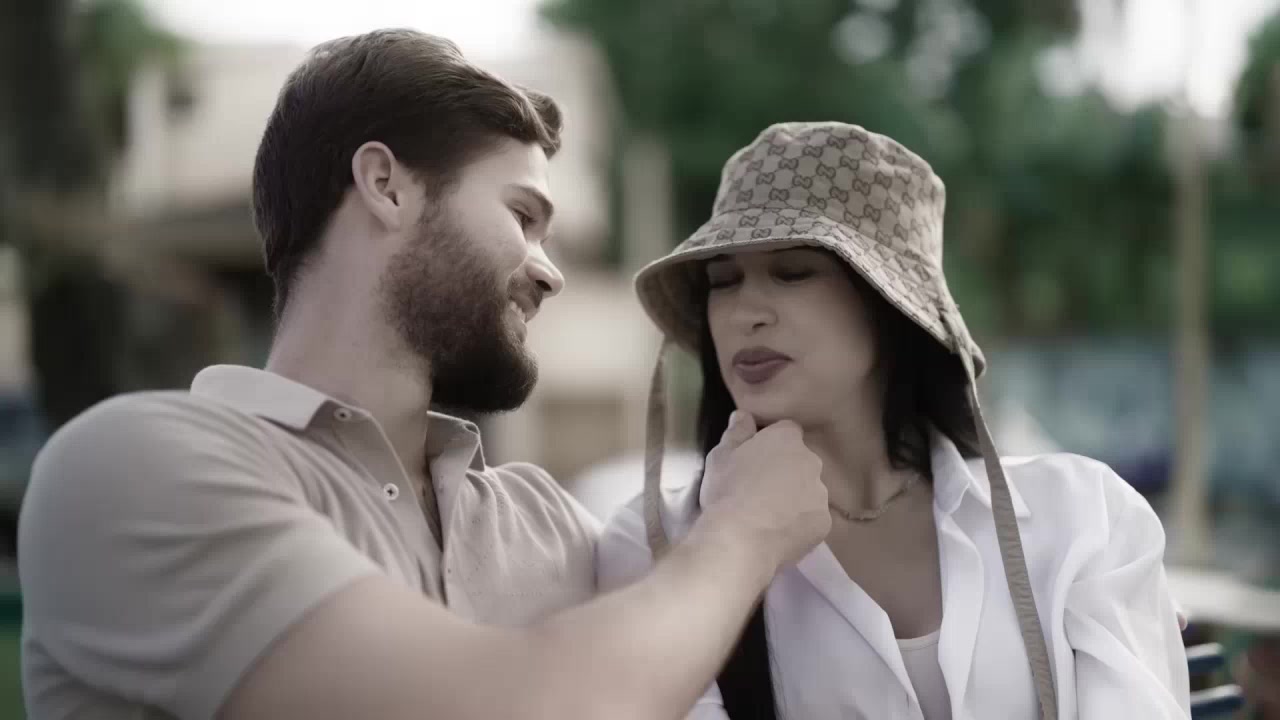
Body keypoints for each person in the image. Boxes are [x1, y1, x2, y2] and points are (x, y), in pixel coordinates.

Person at [16, 30, 833, 720]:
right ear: (385, 186)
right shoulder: (133, 467)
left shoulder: (547, 524)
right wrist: (745, 531)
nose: (549, 273)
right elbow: (524, 704)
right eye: (522, 215)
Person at [597, 122, 1192, 719]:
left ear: (888, 303)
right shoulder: (657, 544)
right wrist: (734, 538)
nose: (743, 313)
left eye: (793, 272)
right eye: (722, 281)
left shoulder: (1083, 517)